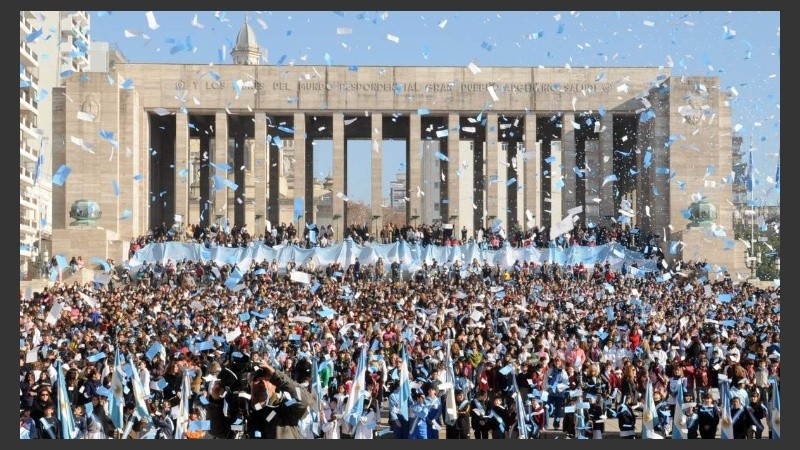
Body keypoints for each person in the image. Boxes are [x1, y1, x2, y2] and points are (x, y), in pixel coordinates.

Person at [246, 361, 313, 439]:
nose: (262, 383)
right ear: (250, 384)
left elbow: (305, 401)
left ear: (275, 386)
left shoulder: (284, 407)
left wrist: (277, 377)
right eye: (257, 379)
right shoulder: (245, 411)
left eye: (267, 380)